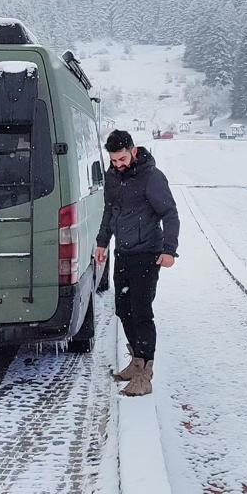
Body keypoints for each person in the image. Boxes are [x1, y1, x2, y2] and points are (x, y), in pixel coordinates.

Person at [95, 129, 179, 396]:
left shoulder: (151, 177)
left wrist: (170, 250)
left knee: (141, 311)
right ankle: (137, 361)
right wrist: (102, 242)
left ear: (133, 150)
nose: (118, 165)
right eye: (114, 160)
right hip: (124, 252)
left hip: (147, 253)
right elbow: (110, 210)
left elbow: (170, 213)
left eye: (121, 159)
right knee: (123, 308)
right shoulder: (113, 176)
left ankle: (145, 374)